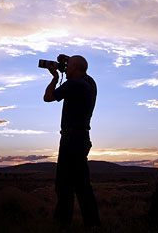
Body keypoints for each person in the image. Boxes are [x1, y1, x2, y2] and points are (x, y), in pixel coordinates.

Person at [43, 54, 101, 229]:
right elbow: (83, 68)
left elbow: (47, 97)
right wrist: (70, 60)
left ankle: (62, 224)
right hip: (82, 138)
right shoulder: (91, 84)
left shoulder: (74, 84)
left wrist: (54, 78)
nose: (65, 69)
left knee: (64, 186)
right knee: (82, 186)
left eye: (68, 66)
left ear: (75, 67)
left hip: (71, 139)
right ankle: (93, 225)